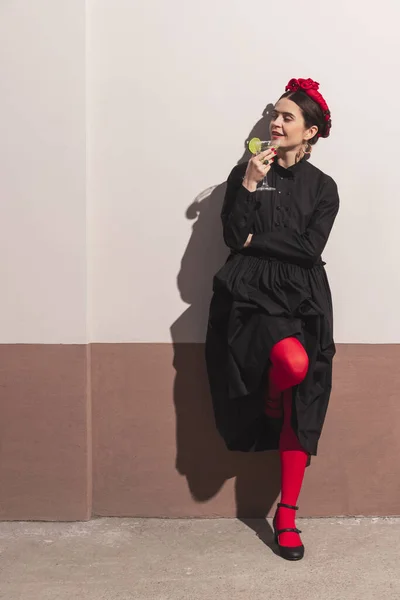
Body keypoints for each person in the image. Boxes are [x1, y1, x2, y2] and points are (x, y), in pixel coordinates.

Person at [205, 78, 339, 561]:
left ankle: (287, 516)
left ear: (312, 132)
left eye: (287, 117)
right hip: (249, 296)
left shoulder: (324, 188)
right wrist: (245, 186)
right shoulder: (246, 171)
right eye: (274, 115)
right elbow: (231, 235)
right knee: (291, 365)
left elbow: (309, 248)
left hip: (303, 297)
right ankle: (267, 395)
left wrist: (254, 240)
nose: (275, 124)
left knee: (303, 394)